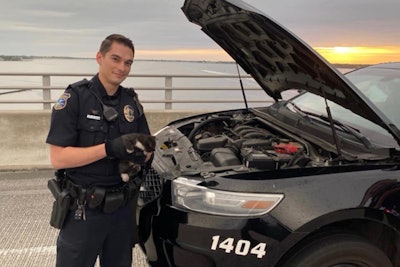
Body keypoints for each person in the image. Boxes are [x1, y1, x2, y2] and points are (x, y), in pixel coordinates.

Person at [46, 34, 155, 267]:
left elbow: (147, 148)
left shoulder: (131, 102)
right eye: (115, 59)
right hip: (84, 211)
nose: (122, 67)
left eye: (128, 63)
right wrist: (109, 148)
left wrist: (141, 155)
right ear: (99, 57)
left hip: (122, 210)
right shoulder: (75, 97)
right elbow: (58, 158)